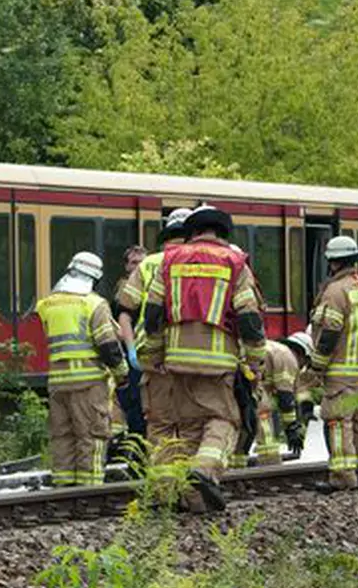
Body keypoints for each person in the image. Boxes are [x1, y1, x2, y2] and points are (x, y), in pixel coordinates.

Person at [144, 203, 268, 510]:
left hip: (175, 359)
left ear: (192, 232)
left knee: (187, 428)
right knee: (225, 420)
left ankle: (188, 500)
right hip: (218, 361)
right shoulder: (235, 263)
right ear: (224, 233)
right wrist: (255, 359)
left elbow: (153, 314)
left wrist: (155, 353)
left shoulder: (170, 261)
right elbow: (249, 318)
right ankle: (204, 470)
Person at [36, 252, 130, 486]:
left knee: (63, 436)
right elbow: (108, 346)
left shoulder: (47, 304)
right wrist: (122, 373)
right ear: (94, 278)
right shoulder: (94, 304)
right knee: (92, 436)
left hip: (57, 382)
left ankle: (64, 485)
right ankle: (89, 491)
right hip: (89, 382)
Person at [116, 208, 193, 464]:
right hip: (194, 356)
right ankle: (187, 476)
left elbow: (125, 313)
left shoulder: (148, 264)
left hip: (150, 356)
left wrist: (131, 351)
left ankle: (160, 477)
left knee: (156, 422)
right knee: (191, 422)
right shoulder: (206, 261)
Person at [308, 236, 358, 492]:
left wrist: (317, 366)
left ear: (333, 263)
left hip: (340, 372)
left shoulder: (335, 291)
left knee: (338, 422)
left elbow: (329, 333)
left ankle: (342, 476)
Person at [238, 338, 305, 466]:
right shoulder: (287, 357)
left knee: (241, 429)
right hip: (251, 386)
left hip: (235, 383)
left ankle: (235, 467)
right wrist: (291, 427)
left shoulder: (274, 349)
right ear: (302, 355)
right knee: (264, 419)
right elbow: (285, 397)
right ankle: (270, 463)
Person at [113, 245, 151, 439]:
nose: (138, 266)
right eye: (134, 262)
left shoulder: (152, 287)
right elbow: (121, 322)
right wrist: (131, 350)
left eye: (142, 262)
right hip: (132, 353)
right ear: (127, 266)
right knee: (134, 402)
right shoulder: (124, 291)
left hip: (149, 352)